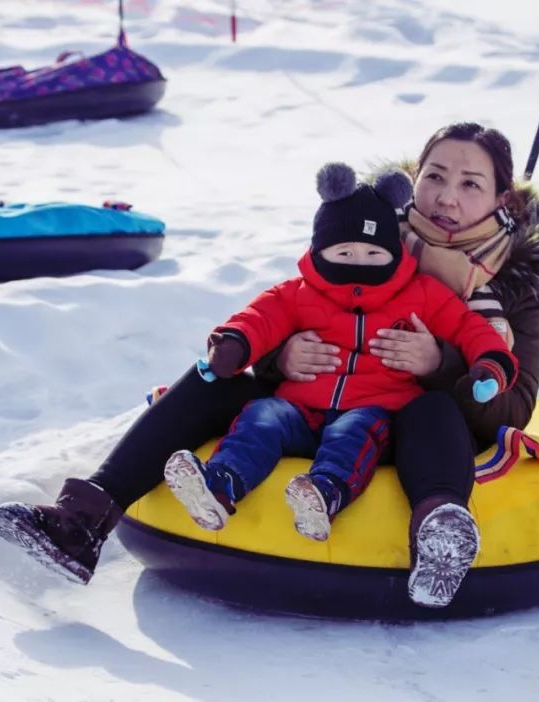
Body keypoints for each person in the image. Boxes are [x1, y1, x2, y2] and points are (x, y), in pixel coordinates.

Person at [0, 122, 539, 609]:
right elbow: (291, 306)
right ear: (413, 182)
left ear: (503, 200)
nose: (448, 197)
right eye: (436, 177)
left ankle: (439, 536)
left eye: (471, 184)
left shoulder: (516, 286)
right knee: (216, 379)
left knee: (429, 408)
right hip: (315, 406)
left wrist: (439, 364)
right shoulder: (366, 231)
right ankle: (83, 519)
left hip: (411, 432)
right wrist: (277, 357)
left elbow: (514, 409)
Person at [162, 162, 517, 543]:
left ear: (393, 254)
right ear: (320, 249)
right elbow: (259, 319)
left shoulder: (422, 294)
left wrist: (490, 365)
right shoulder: (298, 292)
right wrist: (233, 345)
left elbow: (470, 328)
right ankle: (220, 485)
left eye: (372, 253)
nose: (359, 263)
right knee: (262, 416)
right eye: (345, 253)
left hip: (373, 409)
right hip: (300, 408)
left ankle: (324, 494)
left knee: (353, 433)